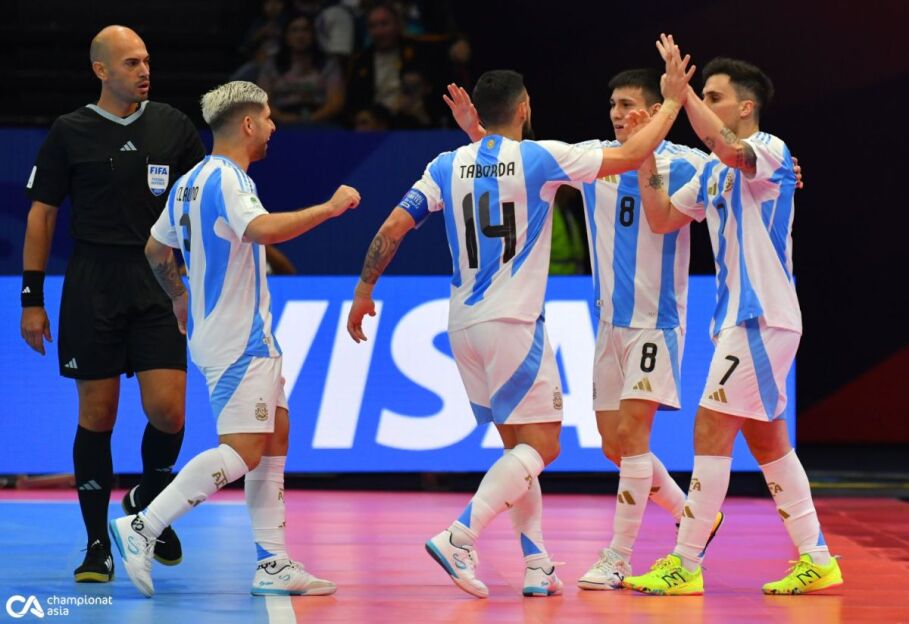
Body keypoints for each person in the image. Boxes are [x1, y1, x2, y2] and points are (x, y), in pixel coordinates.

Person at [346, 49, 694, 598]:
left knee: (519, 451)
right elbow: (631, 155)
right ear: (525, 107)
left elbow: (393, 226)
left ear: (480, 113)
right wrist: (671, 102)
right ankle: (460, 535)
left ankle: (537, 565)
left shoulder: (445, 164)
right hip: (513, 322)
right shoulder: (541, 157)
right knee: (543, 447)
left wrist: (364, 290)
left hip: (461, 325)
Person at [443, 68, 725, 590]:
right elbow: (518, 166)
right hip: (609, 324)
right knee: (614, 446)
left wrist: (778, 169)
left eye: (629, 106)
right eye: (613, 105)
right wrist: (478, 136)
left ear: (654, 109)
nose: (618, 114)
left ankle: (618, 557)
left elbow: (732, 169)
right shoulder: (597, 157)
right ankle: (693, 515)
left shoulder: (687, 162)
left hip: (656, 321)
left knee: (633, 439)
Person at [108, 81, 360, 598]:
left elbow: (156, 249)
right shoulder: (228, 178)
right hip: (238, 339)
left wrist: (180, 298)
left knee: (275, 437)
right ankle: (144, 525)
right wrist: (330, 208)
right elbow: (263, 230)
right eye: (267, 118)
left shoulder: (190, 181)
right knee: (243, 451)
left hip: (231, 335)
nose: (273, 126)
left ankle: (273, 563)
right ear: (247, 124)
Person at [622, 35, 843, 596]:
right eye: (705, 95)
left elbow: (726, 147)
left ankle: (685, 562)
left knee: (710, 425)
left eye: (715, 96)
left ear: (746, 106)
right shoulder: (713, 174)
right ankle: (818, 558)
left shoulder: (769, 149)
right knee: (769, 443)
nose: (706, 103)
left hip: (761, 314)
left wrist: (681, 96)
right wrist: (646, 150)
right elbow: (662, 218)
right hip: (740, 320)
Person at [20, 25, 205, 583]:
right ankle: (97, 543)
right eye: (131, 63)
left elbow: (202, 202)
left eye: (146, 60)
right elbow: (42, 215)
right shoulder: (69, 131)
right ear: (101, 70)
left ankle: (148, 503)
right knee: (97, 416)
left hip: (158, 280)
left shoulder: (173, 126)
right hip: (93, 285)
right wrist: (32, 298)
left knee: (169, 412)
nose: (144, 70)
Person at [256, 13, 345, 125]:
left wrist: (311, 119)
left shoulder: (329, 64)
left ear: (313, 35)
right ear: (286, 36)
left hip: (321, 119)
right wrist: (282, 117)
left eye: (305, 30)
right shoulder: (272, 64)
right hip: (279, 121)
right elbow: (262, 102)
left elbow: (336, 102)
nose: (300, 36)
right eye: (294, 30)